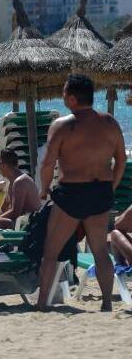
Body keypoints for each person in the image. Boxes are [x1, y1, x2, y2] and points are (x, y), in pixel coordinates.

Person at [37, 74, 126, 312]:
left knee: (51, 252)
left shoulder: (63, 125)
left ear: (73, 99)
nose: (62, 96)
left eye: (64, 93)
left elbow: (47, 164)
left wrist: (44, 190)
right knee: (99, 250)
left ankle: (42, 303)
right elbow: (121, 160)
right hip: (100, 192)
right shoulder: (110, 123)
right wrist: (112, 186)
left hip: (72, 194)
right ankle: (106, 303)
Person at [0, 148, 39, 236]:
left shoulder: (20, 181)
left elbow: (16, 212)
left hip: (29, 224)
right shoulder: (11, 182)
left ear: (2, 164)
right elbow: (2, 209)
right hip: (18, 222)